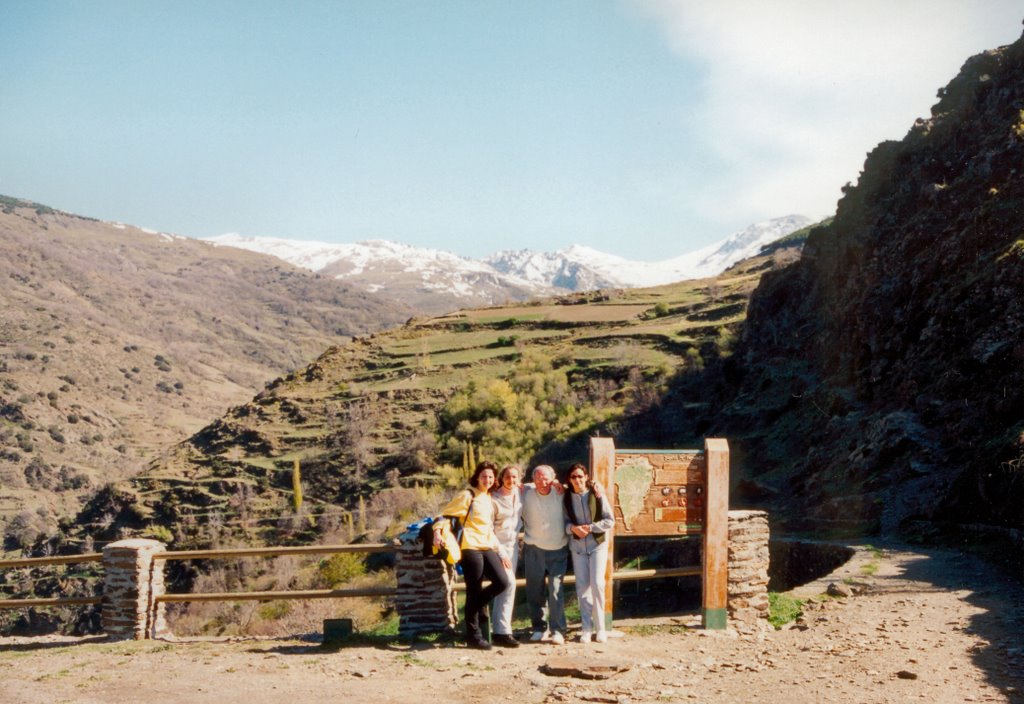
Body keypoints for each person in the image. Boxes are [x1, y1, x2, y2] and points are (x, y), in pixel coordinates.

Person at [434, 460, 511, 650]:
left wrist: (501, 553)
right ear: (477, 477)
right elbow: (444, 515)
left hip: (486, 546)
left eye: (491, 476)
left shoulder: (488, 498)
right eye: (484, 476)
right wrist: (437, 532)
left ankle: (474, 608)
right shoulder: (467, 495)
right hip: (469, 547)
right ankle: (474, 636)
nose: (488, 479)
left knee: (502, 581)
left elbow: (488, 528)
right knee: (474, 589)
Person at [564, 462, 615, 643]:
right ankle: (586, 628)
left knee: (597, 584)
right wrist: (573, 529)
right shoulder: (566, 498)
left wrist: (591, 527)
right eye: (573, 477)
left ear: (586, 477)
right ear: (569, 480)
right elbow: (564, 523)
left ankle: (601, 628)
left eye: (580, 476)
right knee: (582, 587)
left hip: (597, 545)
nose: (577, 480)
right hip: (578, 548)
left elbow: (610, 520)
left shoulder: (596, 494)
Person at [520, 464, 568, 644]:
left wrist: (557, 483)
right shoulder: (525, 493)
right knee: (534, 591)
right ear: (533, 479)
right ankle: (539, 628)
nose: (543, 482)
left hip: (558, 548)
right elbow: (511, 487)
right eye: (539, 478)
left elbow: (577, 487)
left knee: (555, 590)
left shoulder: (561, 492)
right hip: (534, 549)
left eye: (547, 478)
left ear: (554, 477)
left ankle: (558, 630)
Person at [489, 464, 523, 648]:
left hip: (513, 547)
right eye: (508, 477)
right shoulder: (493, 499)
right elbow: (488, 528)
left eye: (515, 477)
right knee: (508, 583)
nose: (511, 480)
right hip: (497, 548)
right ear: (501, 478)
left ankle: (501, 629)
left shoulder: (521, 493)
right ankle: (502, 631)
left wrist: (558, 483)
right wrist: (501, 553)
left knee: (507, 587)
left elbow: (544, 484)